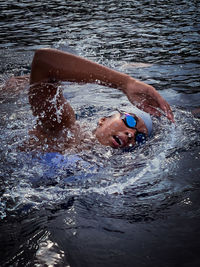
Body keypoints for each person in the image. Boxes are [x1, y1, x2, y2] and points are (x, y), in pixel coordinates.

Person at [5, 48, 175, 152]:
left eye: (140, 138)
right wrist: (125, 83)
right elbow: (43, 61)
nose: (131, 134)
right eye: (130, 120)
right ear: (102, 120)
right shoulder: (63, 128)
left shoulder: (112, 169)